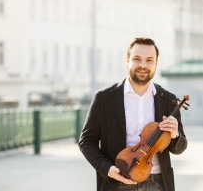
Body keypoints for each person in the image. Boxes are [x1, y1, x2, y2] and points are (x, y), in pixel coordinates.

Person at [79, 37, 188, 191]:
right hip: (117, 181)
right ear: (127, 60)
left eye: (149, 60)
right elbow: (86, 141)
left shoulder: (168, 100)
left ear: (156, 63)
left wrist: (175, 135)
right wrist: (108, 169)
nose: (143, 65)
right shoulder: (104, 98)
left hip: (158, 183)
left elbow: (179, 148)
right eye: (137, 59)